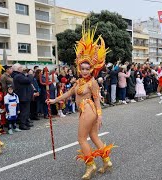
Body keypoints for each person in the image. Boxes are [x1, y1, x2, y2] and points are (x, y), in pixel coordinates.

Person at [46, 27, 115, 179]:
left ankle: (90, 166)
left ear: (92, 68)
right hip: (86, 111)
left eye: (87, 68)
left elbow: (97, 100)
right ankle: (107, 160)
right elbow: (68, 93)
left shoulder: (92, 83)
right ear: (79, 67)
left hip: (89, 110)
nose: (84, 71)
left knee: (81, 139)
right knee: (94, 136)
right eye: (82, 68)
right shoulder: (79, 81)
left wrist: (99, 115)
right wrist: (54, 100)